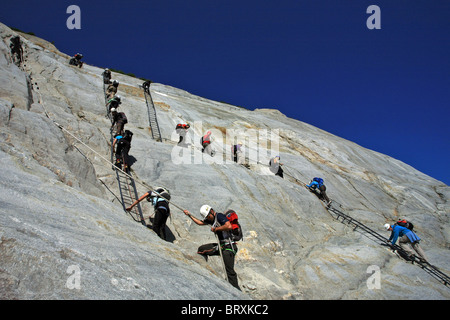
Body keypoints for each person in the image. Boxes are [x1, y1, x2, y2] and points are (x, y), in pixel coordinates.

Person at [183, 205, 240, 290]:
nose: (208, 218)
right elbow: (199, 222)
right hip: (222, 246)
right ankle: (203, 270)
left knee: (229, 272)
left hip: (229, 247)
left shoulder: (219, 216)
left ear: (212, 211)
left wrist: (216, 229)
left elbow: (228, 226)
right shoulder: (211, 219)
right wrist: (189, 215)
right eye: (207, 217)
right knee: (202, 249)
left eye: (208, 216)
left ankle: (236, 291)